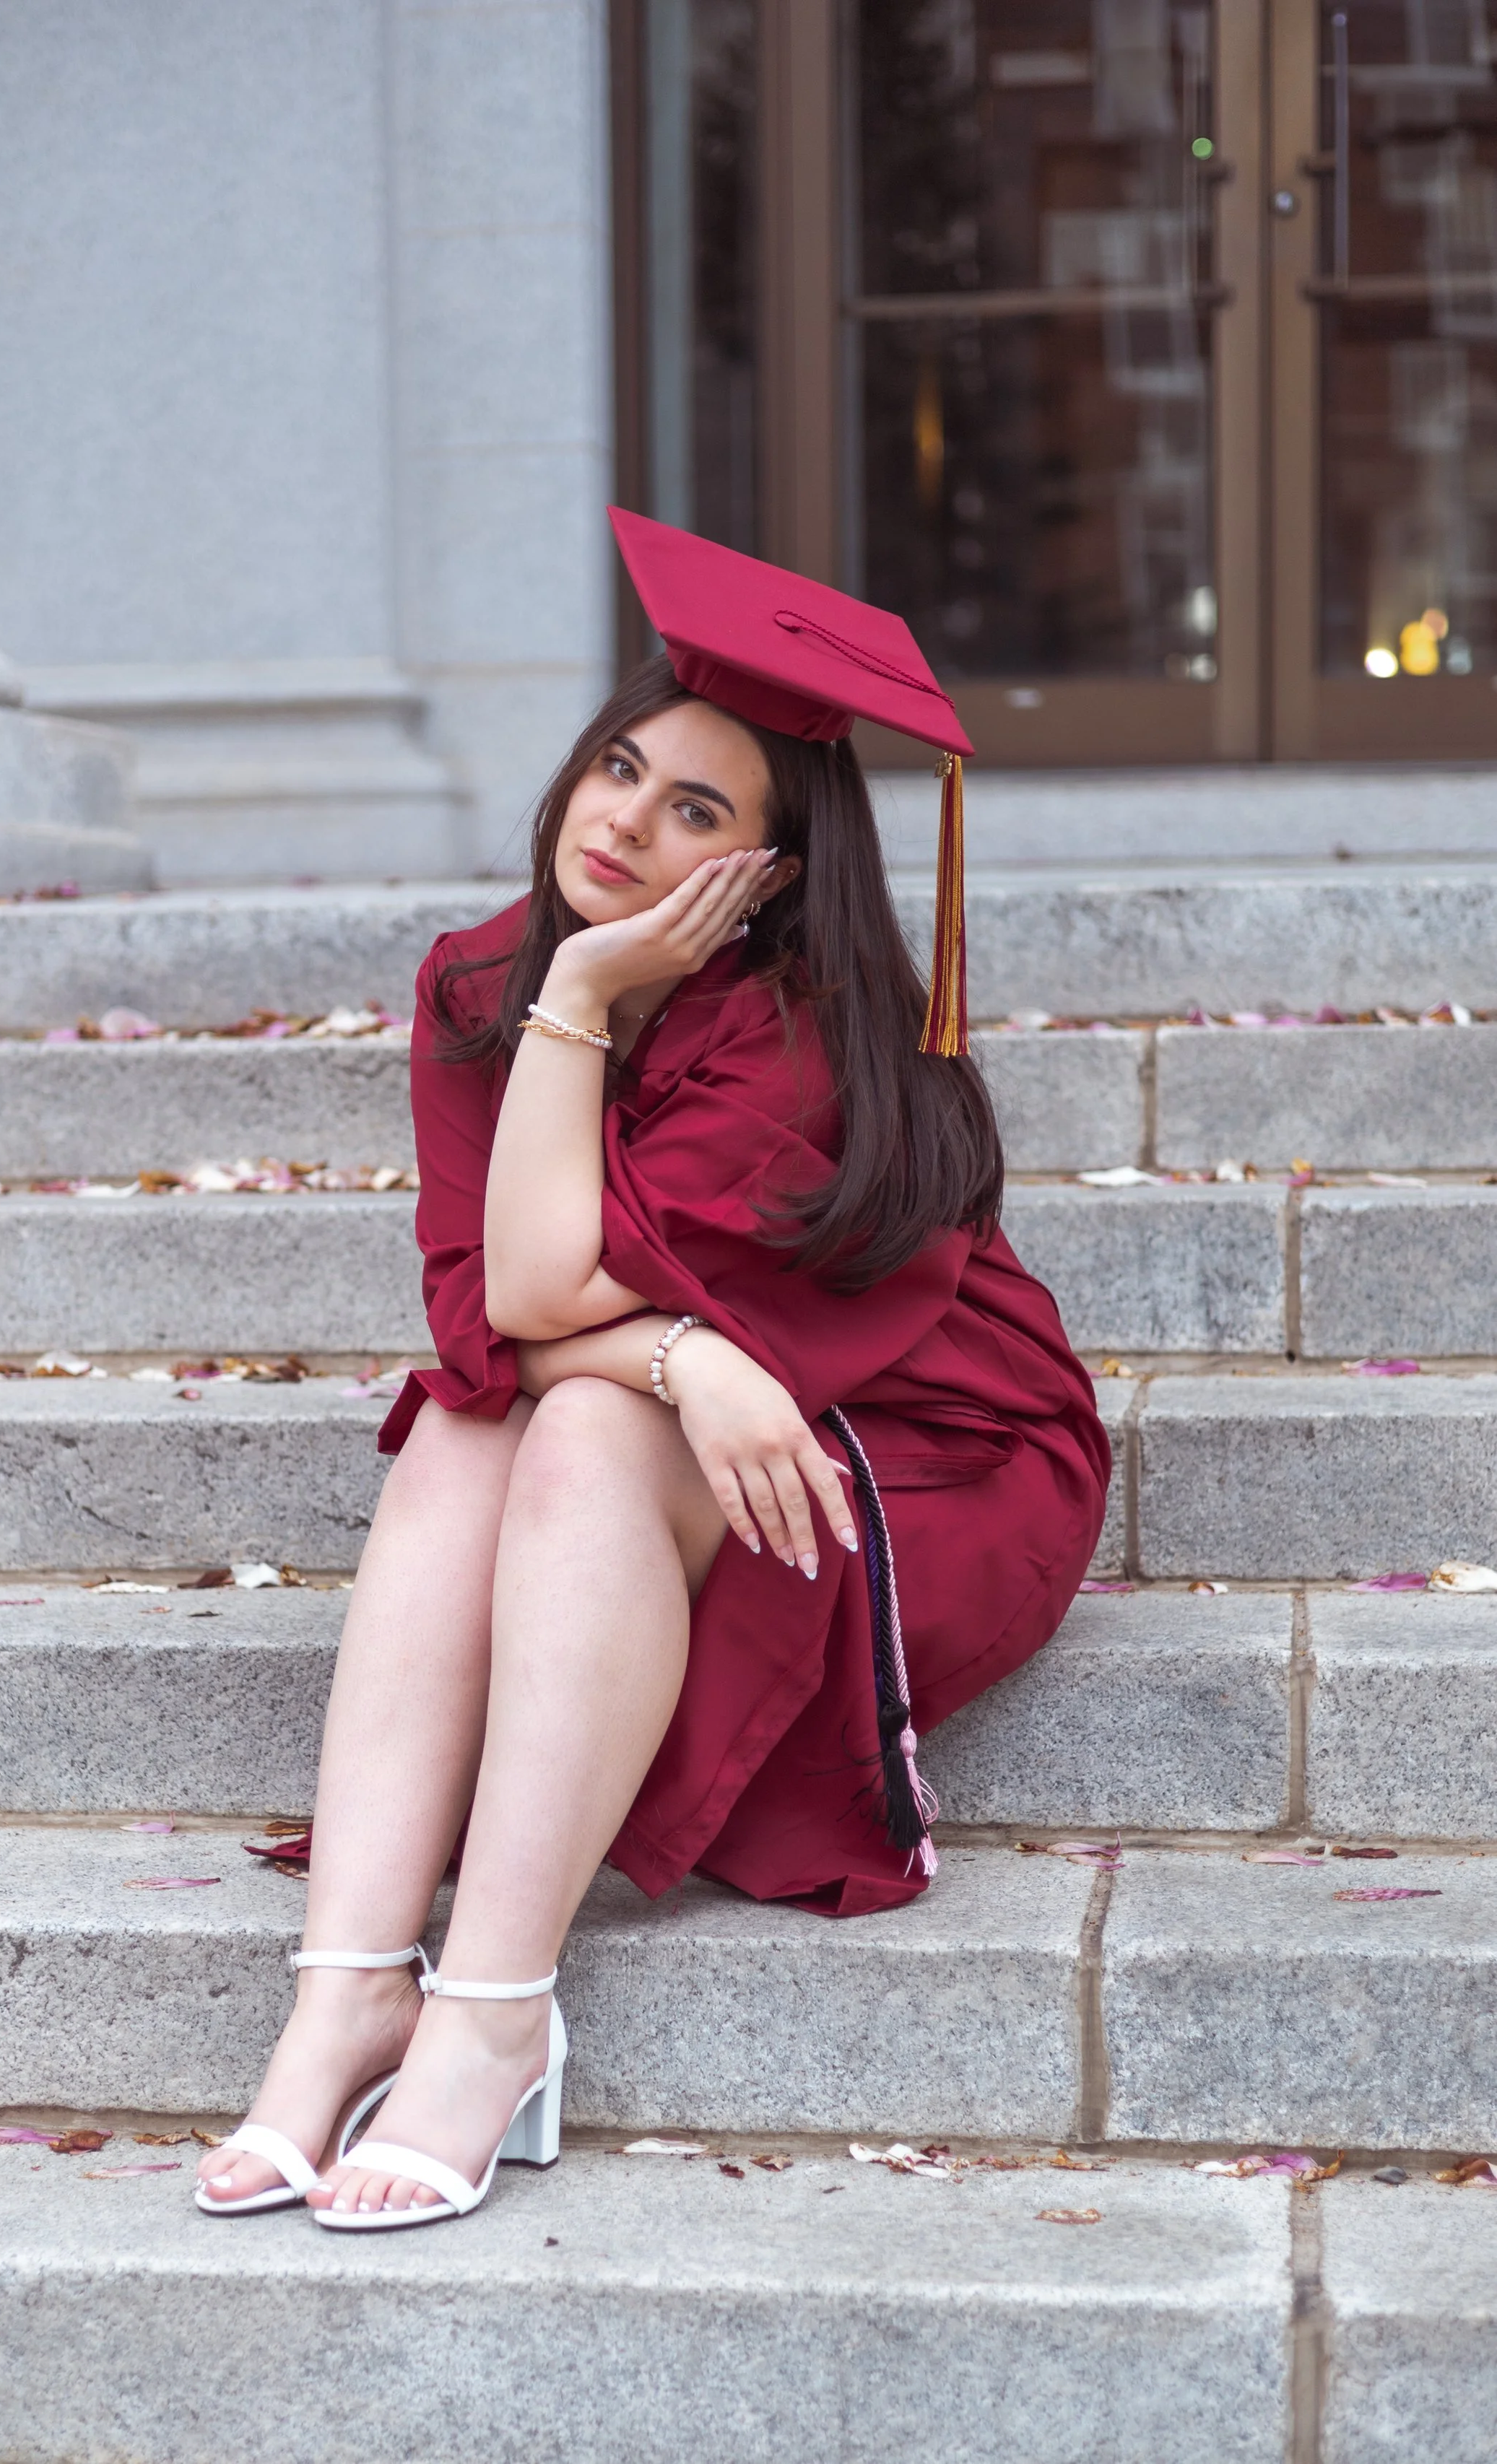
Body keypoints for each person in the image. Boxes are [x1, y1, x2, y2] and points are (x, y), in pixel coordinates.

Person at [194, 512, 1110, 2231]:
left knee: (582, 1424)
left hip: (921, 1436)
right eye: (618, 769)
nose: (623, 822)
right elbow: (487, 1316)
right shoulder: (481, 973)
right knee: (485, 1429)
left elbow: (539, 1284)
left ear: (764, 874)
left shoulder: (794, 1034)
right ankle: (344, 1994)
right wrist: (684, 1342)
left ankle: (488, 2013)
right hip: (704, 1392)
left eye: (697, 810)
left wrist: (593, 1009)